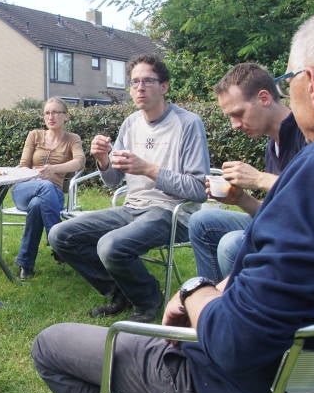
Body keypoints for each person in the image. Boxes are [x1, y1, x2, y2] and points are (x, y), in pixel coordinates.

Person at [32, 4, 314, 393]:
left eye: (289, 78)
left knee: (51, 345)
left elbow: (234, 343)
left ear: (311, 84)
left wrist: (194, 290)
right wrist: (225, 285)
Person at [48, 54, 209, 322]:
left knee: (110, 246)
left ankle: (147, 301)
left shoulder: (188, 123)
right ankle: (121, 292)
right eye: (135, 82)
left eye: (148, 81)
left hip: (172, 212)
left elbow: (198, 189)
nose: (140, 88)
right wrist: (102, 160)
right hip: (132, 207)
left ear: (164, 86)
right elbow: (113, 181)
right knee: (60, 235)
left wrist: (148, 169)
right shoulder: (131, 123)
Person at [188, 63, 306, 281]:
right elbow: (275, 211)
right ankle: (209, 295)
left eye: (238, 113)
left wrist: (259, 178)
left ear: (264, 98)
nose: (234, 125)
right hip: (282, 224)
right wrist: (241, 199)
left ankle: (240, 300)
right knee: (201, 221)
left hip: (303, 236)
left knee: (231, 244)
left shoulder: (305, 134)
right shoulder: (273, 145)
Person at [11, 97, 85, 279]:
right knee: (44, 187)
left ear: (66, 116)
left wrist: (54, 169)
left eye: (56, 112)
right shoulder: (34, 135)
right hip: (25, 189)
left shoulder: (72, 139)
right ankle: (58, 243)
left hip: (53, 194)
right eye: (47, 113)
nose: (50, 117)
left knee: (37, 205)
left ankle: (25, 264)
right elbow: (23, 165)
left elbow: (79, 161)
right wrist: (35, 175)